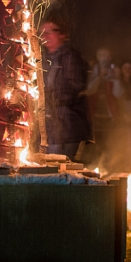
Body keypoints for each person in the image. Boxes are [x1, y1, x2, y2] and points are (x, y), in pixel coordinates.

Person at [41, 20, 91, 160]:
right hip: (51, 125)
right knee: (48, 165)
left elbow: (74, 86)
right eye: (42, 32)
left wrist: (47, 99)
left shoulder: (71, 57)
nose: (45, 36)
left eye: (50, 31)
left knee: (60, 167)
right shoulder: (42, 58)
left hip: (68, 125)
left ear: (62, 34)